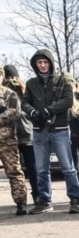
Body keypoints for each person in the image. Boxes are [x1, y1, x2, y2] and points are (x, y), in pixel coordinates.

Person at [22, 48, 79, 214]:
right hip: (38, 130)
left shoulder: (62, 80)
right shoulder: (31, 83)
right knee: (41, 169)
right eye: (39, 62)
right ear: (35, 65)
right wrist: (34, 112)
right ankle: (44, 200)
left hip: (60, 129)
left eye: (45, 62)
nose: (42, 65)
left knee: (68, 167)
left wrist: (49, 110)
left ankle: (75, 199)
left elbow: (68, 100)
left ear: (50, 63)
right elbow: (25, 102)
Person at [3, 64, 38, 203]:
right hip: (10, 139)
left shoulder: (26, 93)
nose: (11, 81)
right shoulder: (4, 95)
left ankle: (37, 195)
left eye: (14, 77)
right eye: (8, 77)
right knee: (16, 170)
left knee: (33, 169)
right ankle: (20, 200)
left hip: (27, 136)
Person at [0, 67, 28, 215]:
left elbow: (14, 112)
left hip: (7, 140)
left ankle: (21, 202)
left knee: (14, 171)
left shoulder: (8, 93)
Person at [64, 72, 79, 201]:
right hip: (69, 138)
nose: (68, 86)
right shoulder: (62, 99)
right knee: (73, 166)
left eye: (70, 83)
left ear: (74, 83)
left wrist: (78, 113)